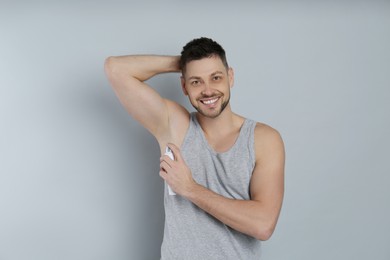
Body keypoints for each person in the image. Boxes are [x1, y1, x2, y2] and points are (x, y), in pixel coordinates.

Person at [104, 37, 285, 259]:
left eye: (216, 77)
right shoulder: (174, 125)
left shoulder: (263, 139)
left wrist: (189, 188)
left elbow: (263, 225)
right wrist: (183, 62)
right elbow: (115, 69)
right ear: (184, 86)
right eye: (196, 81)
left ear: (230, 77)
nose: (208, 91)